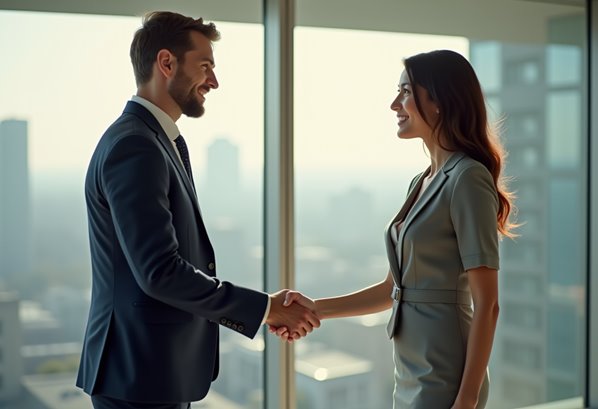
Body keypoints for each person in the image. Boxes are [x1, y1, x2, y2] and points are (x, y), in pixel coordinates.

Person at [76, 11, 319, 409]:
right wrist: (265, 308)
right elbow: (160, 272)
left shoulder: (156, 141)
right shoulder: (135, 146)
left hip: (153, 375)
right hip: (139, 376)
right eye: (205, 66)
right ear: (166, 63)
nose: (214, 81)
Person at [276, 49, 517, 409]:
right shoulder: (420, 183)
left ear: (439, 100)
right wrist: (316, 309)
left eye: (405, 92)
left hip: (445, 369)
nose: (394, 104)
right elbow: (393, 289)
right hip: (409, 367)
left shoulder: (468, 178)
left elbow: (487, 304)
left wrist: (466, 399)